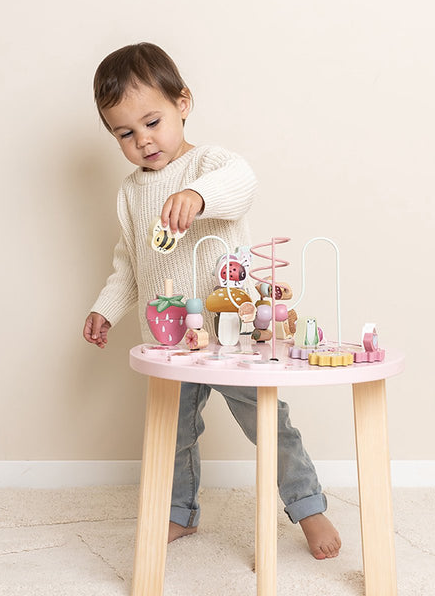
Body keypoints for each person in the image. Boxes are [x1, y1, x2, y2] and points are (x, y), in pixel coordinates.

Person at [82, 42, 341, 559]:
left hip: (235, 331)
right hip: (173, 342)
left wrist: (198, 196)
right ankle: (179, 514)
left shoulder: (211, 163)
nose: (143, 141)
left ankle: (309, 507)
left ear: (183, 102)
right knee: (172, 435)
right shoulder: (132, 192)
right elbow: (130, 264)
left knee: (269, 423)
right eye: (125, 134)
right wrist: (105, 308)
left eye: (152, 122)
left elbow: (242, 185)